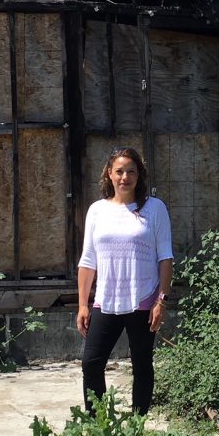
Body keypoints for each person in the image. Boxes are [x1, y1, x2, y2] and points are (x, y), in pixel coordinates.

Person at [76, 147, 173, 415]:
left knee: (142, 364)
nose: (125, 177)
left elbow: (165, 257)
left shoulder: (154, 209)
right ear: (109, 173)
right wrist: (83, 304)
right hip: (106, 300)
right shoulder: (97, 211)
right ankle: (98, 422)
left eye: (131, 171)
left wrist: (161, 301)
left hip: (143, 300)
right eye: (119, 171)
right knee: (91, 362)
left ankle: (138, 422)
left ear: (139, 175)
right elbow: (87, 260)